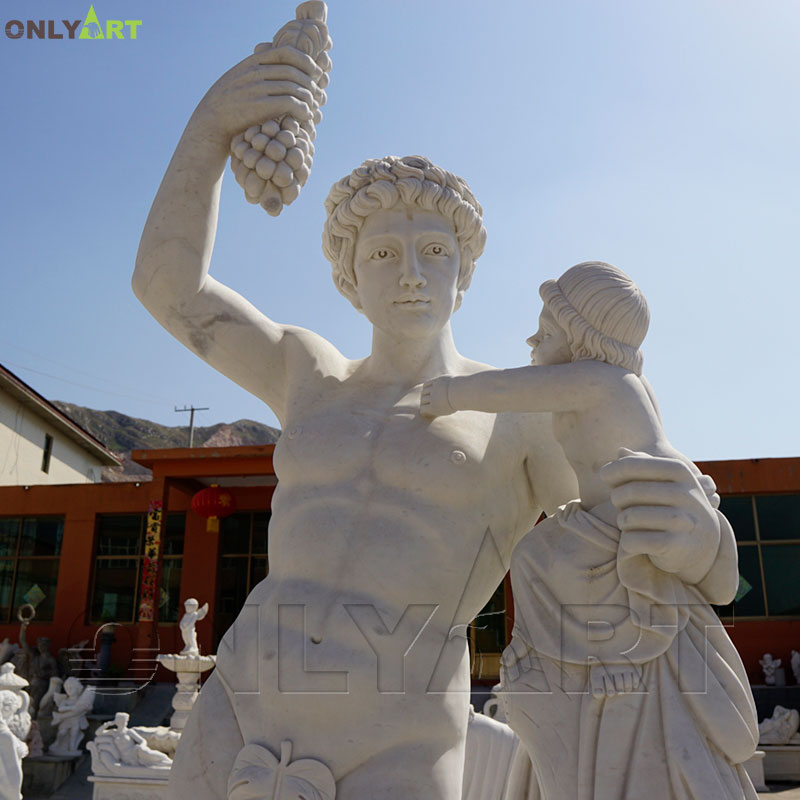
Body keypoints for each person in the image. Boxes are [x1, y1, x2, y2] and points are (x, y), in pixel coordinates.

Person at [132, 22, 739, 800]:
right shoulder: (308, 373)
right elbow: (169, 287)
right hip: (241, 705)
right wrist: (211, 125)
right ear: (349, 275)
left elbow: (632, 524)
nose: (411, 274)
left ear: (466, 272)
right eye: (384, 253)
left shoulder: (521, 414)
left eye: (435, 252)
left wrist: (706, 546)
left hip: (397, 734)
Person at [421, 263, 759, 797]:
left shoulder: (598, 379)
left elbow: (515, 388)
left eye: (547, 330)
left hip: (628, 524)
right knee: (536, 553)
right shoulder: (616, 385)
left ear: (582, 338)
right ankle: (559, 663)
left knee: (538, 555)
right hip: (607, 520)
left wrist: (449, 394)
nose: (533, 339)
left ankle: (602, 658)